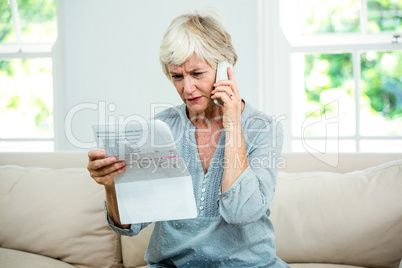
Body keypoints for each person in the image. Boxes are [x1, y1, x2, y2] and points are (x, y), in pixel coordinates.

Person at [87, 9, 289, 268]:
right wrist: (111, 183)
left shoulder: (264, 129)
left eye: (197, 74)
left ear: (224, 69)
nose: (187, 88)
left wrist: (232, 121)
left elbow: (243, 212)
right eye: (177, 76)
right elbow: (128, 226)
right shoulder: (160, 128)